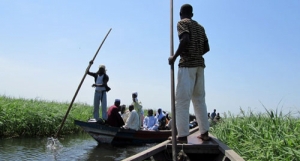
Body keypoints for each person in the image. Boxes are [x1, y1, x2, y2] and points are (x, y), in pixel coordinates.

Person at [168, 4, 211, 142]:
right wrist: (196, 54)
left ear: (181, 13)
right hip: (200, 66)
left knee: (181, 100)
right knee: (199, 100)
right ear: (192, 14)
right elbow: (206, 47)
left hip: (187, 65)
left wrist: (174, 58)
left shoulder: (182, 23)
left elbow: (185, 40)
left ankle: (182, 136)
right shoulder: (200, 27)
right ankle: (204, 133)